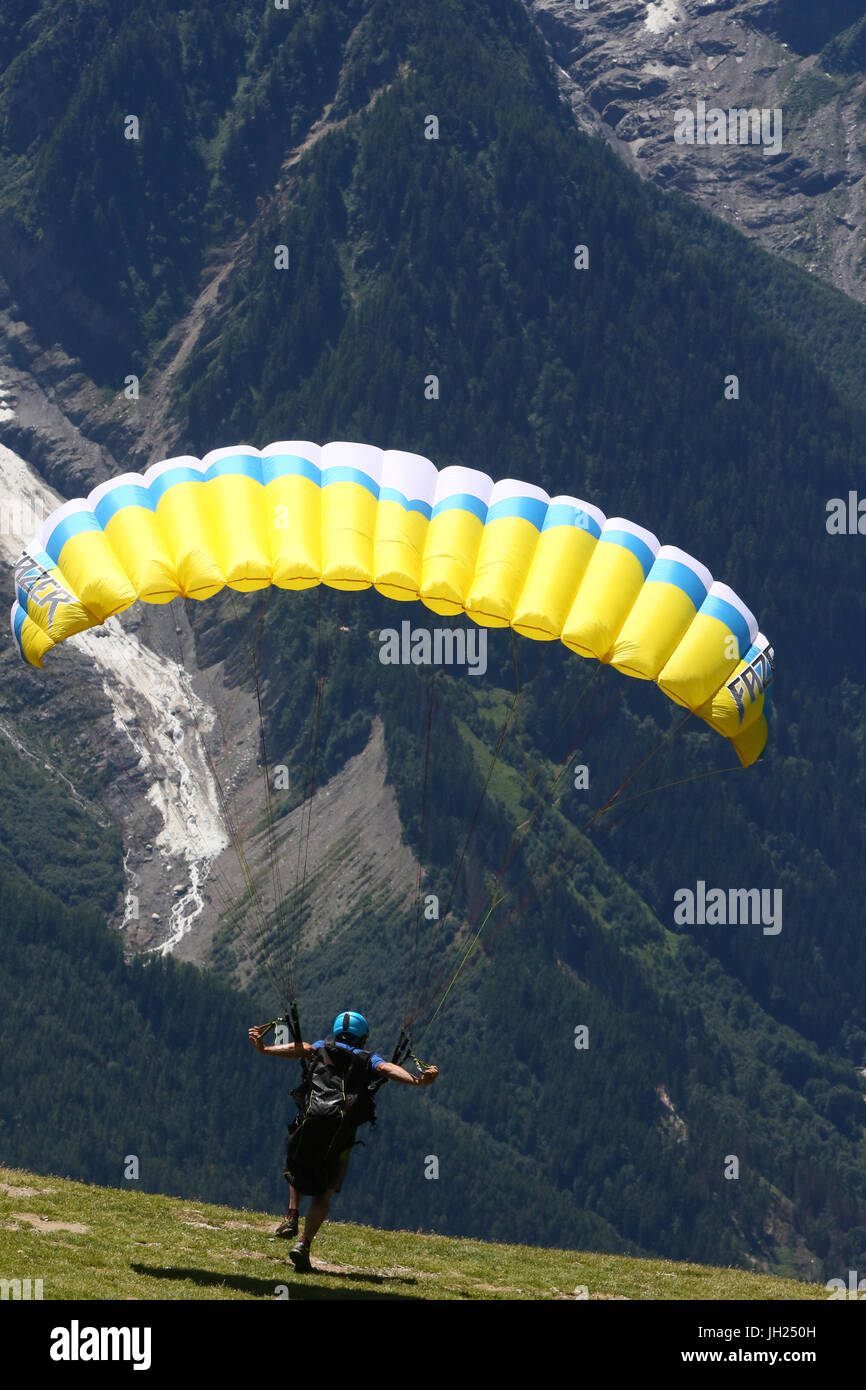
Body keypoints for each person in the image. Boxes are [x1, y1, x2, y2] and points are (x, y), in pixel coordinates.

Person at [249, 1010, 438, 1272]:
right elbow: (387, 1069)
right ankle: (304, 1243)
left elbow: (300, 1048)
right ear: (363, 1037)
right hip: (340, 1133)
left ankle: (291, 1216)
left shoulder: (320, 1048)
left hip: (310, 1122)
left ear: (337, 1032)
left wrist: (264, 1048)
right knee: (324, 1192)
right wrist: (417, 1081)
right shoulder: (367, 1059)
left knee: (296, 1167)